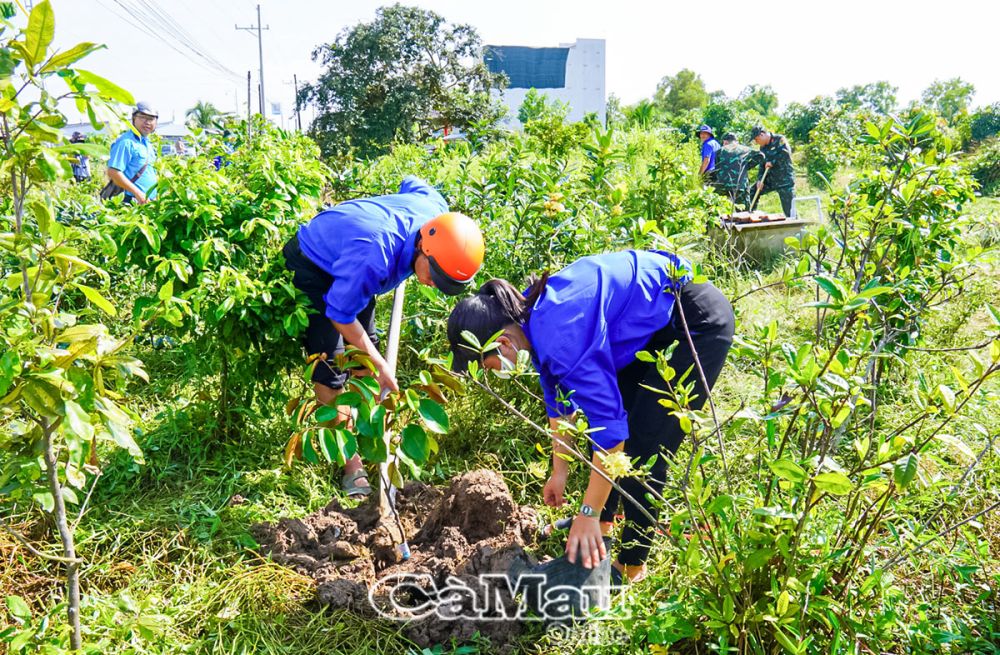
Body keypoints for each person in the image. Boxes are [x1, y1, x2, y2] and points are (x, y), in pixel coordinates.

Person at [446, 250, 735, 582]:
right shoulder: (528, 317)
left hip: (694, 322)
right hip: (647, 329)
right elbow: (559, 399)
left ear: (503, 343)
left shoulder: (559, 333)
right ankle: (600, 527)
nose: (489, 372)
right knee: (610, 422)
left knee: (643, 447)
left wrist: (586, 509)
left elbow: (613, 441)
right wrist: (560, 472)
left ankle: (629, 566)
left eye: (486, 364)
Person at [283, 176, 485, 497]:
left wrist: (374, 362)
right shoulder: (373, 256)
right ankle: (351, 465)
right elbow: (339, 314)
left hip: (355, 261)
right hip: (315, 264)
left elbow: (412, 182)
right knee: (331, 366)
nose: (433, 284)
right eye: (435, 276)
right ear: (425, 248)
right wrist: (380, 365)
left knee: (365, 355)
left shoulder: (435, 212)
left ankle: (370, 436)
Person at [107, 101, 159, 204]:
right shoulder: (126, 142)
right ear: (134, 118)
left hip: (148, 201)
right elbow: (113, 172)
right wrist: (138, 193)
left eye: (151, 119)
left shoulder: (147, 144)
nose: (147, 122)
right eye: (143, 117)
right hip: (131, 200)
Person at [750, 125, 795, 216]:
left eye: (756, 139)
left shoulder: (780, 139)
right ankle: (749, 215)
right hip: (770, 179)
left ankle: (796, 227)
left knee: (789, 210)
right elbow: (762, 164)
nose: (756, 142)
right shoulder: (762, 147)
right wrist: (759, 179)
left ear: (762, 134)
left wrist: (772, 162)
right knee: (753, 190)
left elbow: (785, 154)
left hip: (784, 179)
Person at [713, 132, 761, 210]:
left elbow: (717, 168)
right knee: (743, 210)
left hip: (723, 186)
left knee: (720, 210)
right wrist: (748, 166)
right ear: (736, 141)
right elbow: (761, 155)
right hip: (740, 185)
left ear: (725, 142)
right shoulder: (744, 149)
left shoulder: (719, 151)